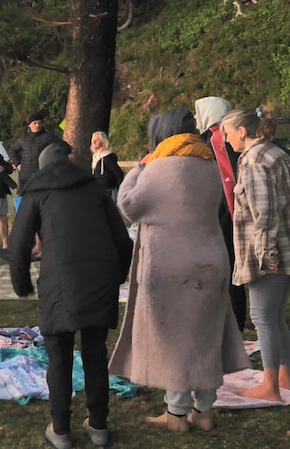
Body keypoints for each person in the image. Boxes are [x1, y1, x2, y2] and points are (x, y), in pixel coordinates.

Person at [109, 108, 249, 433]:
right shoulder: (210, 166)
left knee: (176, 341)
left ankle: (175, 415)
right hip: (212, 262)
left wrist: (139, 168)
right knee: (206, 339)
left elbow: (129, 206)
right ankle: (203, 412)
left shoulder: (158, 168)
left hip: (171, 266)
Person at [10, 143, 132, 449]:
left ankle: (61, 429)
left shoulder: (37, 192)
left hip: (58, 284)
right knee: (95, 354)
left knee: (59, 359)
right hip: (99, 280)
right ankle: (99, 426)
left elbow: (19, 244)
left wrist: (21, 282)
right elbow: (124, 241)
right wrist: (117, 277)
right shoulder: (94, 190)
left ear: (41, 167)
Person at [221, 107, 290, 401]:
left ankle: (270, 386)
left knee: (263, 317)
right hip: (282, 248)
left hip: (268, 254)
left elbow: (266, 214)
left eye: (227, 133)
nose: (225, 139)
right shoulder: (275, 153)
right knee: (275, 317)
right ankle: (284, 377)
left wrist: (265, 255)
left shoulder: (254, 160)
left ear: (242, 131)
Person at [195, 96, 247, 332]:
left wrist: (228, 215)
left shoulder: (218, 138)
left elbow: (228, 176)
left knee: (231, 268)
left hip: (227, 213)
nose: (195, 118)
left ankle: (235, 322)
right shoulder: (221, 136)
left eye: (198, 112)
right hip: (228, 211)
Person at [10, 112, 72, 258]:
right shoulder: (24, 140)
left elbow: (66, 148)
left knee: (43, 214)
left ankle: (44, 247)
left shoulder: (48, 138)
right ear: (30, 125)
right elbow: (13, 150)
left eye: (39, 122)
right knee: (29, 214)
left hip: (43, 179)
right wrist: (18, 163)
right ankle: (35, 246)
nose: (37, 125)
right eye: (34, 123)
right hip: (26, 180)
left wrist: (52, 164)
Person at [89, 131, 125, 200]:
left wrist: (122, 190)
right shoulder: (96, 157)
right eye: (93, 140)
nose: (94, 142)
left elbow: (118, 174)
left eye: (97, 140)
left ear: (103, 141)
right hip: (99, 191)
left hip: (110, 191)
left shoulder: (108, 158)